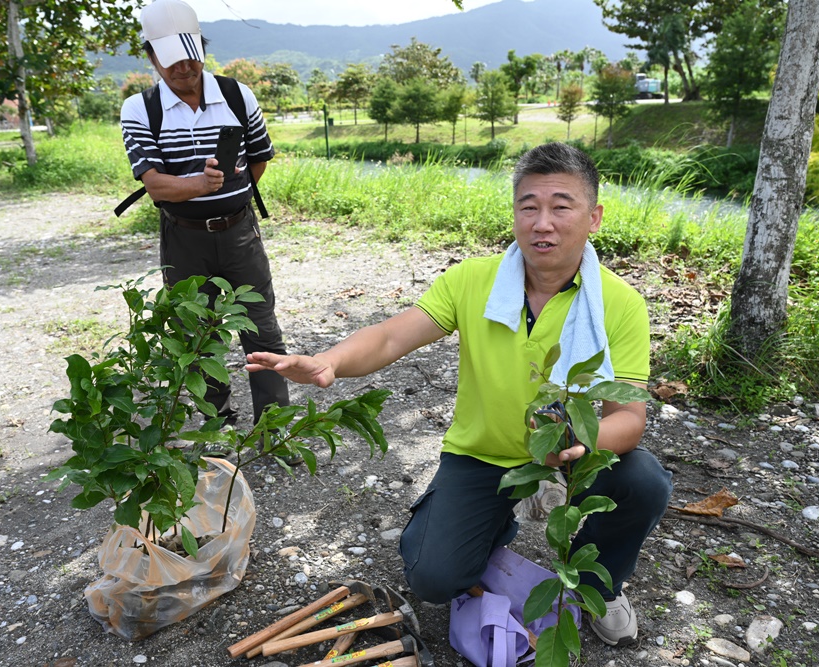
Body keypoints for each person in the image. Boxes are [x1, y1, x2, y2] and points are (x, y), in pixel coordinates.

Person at [245, 142, 672, 647]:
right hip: (482, 454)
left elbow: (629, 416)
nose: (543, 222)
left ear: (594, 216)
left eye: (562, 206)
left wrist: (582, 441)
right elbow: (390, 336)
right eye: (529, 206)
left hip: (571, 454)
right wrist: (330, 361)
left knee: (644, 480)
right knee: (433, 578)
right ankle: (491, 526)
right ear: (514, 212)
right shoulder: (474, 280)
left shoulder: (620, 304)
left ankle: (600, 586)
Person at [120, 0, 288, 424]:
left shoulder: (235, 94)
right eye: (170, 60)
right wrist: (201, 186)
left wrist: (230, 197)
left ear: (201, 49)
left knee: (261, 327)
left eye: (189, 57)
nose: (182, 68)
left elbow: (259, 160)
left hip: (239, 233)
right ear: (153, 58)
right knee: (196, 334)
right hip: (184, 237)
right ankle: (219, 423)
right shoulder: (140, 109)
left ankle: (273, 424)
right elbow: (155, 183)